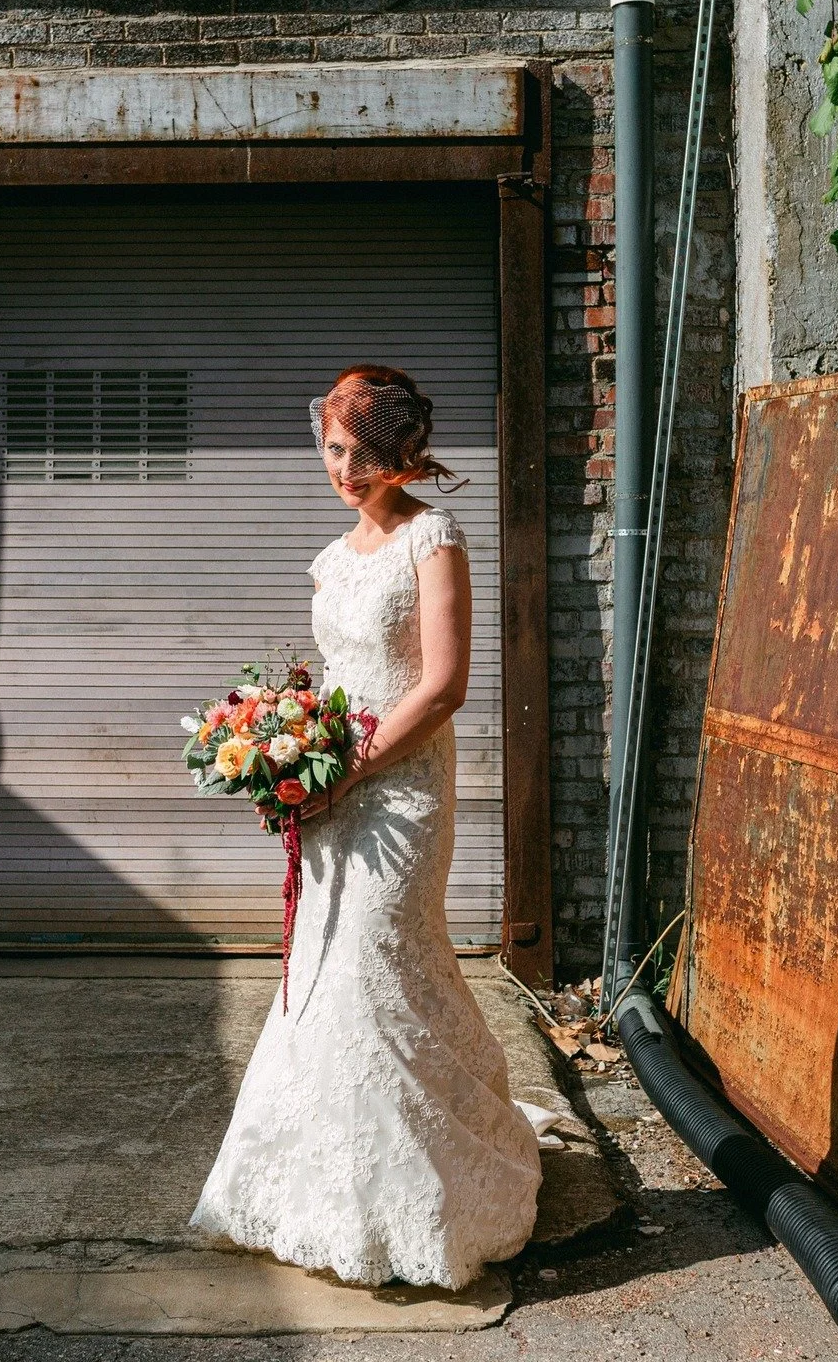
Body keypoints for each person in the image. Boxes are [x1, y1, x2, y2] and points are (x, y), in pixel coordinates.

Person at [189, 364, 542, 1291]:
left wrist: (346, 769)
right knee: (325, 971)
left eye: (362, 452)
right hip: (333, 790)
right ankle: (330, 1196)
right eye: (334, 449)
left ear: (401, 453)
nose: (343, 468)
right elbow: (333, 677)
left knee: (383, 959)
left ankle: (437, 1191)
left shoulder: (435, 539)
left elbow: (444, 685)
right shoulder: (331, 559)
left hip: (402, 790)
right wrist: (281, 743)